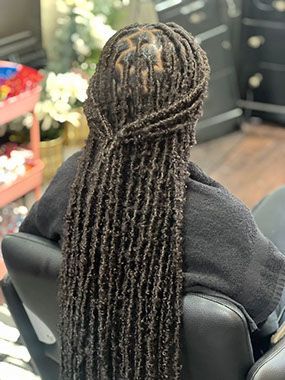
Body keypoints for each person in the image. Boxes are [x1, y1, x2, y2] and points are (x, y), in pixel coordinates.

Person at [20, 23, 285, 379]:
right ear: (191, 110)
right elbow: (267, 322)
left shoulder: (69, 184)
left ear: (97, 102)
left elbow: (30, 244)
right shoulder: (222, 224)